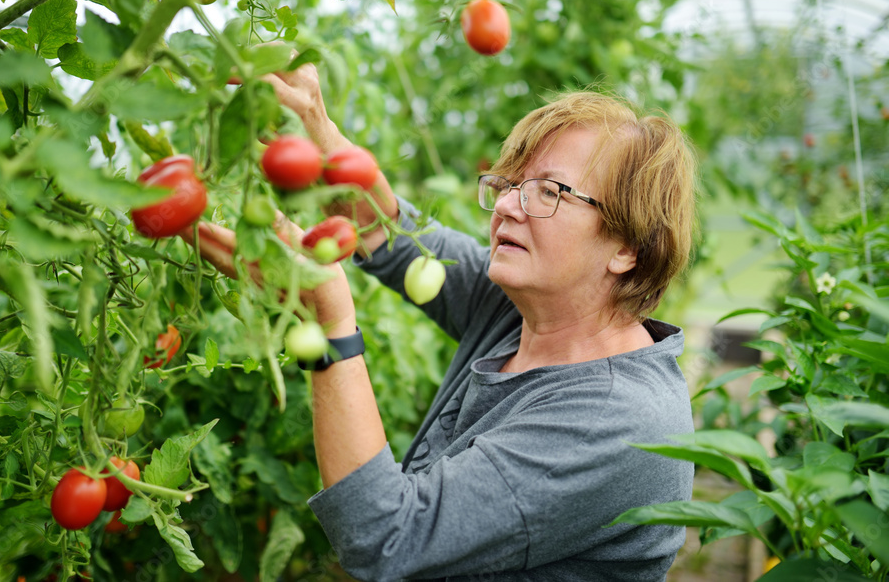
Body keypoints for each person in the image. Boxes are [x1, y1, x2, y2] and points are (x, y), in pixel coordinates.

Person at [183, 64, 698, 581]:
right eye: (510, 184)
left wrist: (328, 320)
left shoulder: (613, 421)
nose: (505, 206)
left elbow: (385, 537)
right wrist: (316, 128)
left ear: (628, 248)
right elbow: (386, 233)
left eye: (548, 192)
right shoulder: (526, 312)